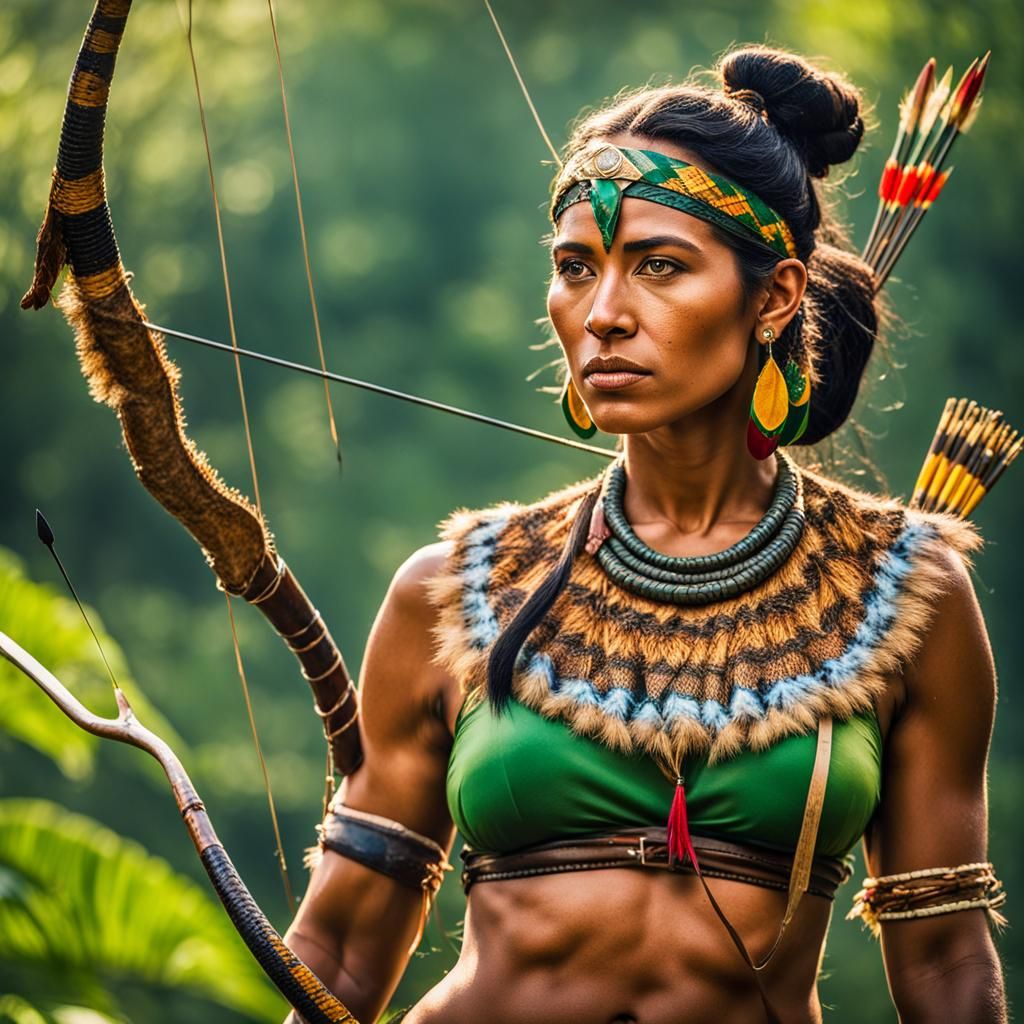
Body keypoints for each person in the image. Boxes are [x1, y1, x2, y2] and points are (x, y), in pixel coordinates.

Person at [282, 46, 1007, 1024]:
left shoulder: (902, 589)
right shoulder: (454, 588)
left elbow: (946, 963)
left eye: (659, 266)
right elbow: (339, 942)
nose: (603, 315)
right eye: (576, 269)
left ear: (775, 297)